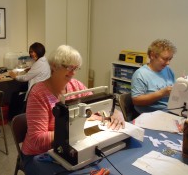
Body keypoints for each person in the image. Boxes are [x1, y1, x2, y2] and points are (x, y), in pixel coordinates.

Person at [21, 45, 125, 175]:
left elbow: (98, 105)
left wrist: (115, 112)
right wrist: (73, 130)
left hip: (69, 148)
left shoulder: (75, 85)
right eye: (69, 67)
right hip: (39, 156)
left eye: (75, 68)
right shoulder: (38, 94)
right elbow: (37, 140)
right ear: (54, 65)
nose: (73, 72)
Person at [131, 39, 177, 114]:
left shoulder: (168, 70)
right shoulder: (140, 74)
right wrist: (162, 93)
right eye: (165, 59)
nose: (168, 63)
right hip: (150, 115)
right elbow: (136, 101)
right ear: (152, 55)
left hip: (169, 110)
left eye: (170, 59)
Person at [8, 42, 50, 119]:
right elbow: (37, 71)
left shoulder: (39, 63)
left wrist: (15, 76)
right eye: (30, 52)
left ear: (39, 51)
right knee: (17, 92)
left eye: (34, 52)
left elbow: (25, 78)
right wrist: (31, 69)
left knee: (15, 95)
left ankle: (13, 119)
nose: (32, 54)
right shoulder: (43, 61)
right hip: (42, 92)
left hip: (36, 94)